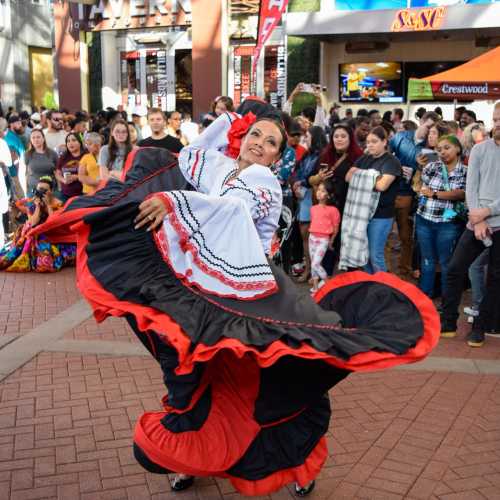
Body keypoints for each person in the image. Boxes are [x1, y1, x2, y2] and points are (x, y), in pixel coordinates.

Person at [30, 101, 440, 497]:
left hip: (248, 296)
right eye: (254, 134)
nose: (260, 143)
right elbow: (192, 154)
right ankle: (189, 454)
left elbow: (233, 209)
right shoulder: (223, 166)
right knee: (183, 366)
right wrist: (226, 120)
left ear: (279, 156)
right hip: (199, 289)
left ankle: (293, 461)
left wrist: (172, 201)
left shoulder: (264, 183)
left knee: (276, 375)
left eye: (272, 141)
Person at [440, 102, 500, 347]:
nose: (498, 124)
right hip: (476, 221)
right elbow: (471, 186)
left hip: (496, 220)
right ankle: (448, 321)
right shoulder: (479, 149)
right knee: (455, 269)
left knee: (495, 278)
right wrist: (478, 217)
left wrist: (488, 211)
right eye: (496, 119)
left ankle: (480, 326)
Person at [389, 111, 440, 278]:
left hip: (409, 194)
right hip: (389, 189)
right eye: (427, 127)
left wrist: (416, 171)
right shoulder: (401, 136)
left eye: (433, 130)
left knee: (405, 235)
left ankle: (404, 268)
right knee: (387, 233)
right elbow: (386, 155)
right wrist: (396, 166)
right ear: (421, 122)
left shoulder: (430, 149)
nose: (428, 132)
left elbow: (429, 175)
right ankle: (386, 269)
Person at [415, 135, 466, 298]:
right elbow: (419, 186)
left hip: (448, 223)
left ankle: (447, 300)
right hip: (424, 218)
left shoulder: (466, 171)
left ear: (457, 149)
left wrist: (435, 194)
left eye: (447, 148)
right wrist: (419, 167)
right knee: (427, 260)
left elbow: (461, 194)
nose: (442, 152)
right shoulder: (432, 166)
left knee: (446, 263)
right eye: (439, 149)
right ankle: (425, 296)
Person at [347, 126, 402, 273]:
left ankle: (383, 288)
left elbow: (382, 185)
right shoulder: (365, 158)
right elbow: (348, 177)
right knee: (363, 255)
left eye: (374, 141)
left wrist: (360, 174)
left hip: (381, 215)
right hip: (363, 214)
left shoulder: (392, 161)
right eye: (368, 142)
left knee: (375, 255)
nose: (369, 145)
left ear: (384, 142)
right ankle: (371, 286)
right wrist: (372, 175)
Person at [0, 176, 75, 272]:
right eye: (39, 189)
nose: (41, 192)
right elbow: (32, 223)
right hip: (35, 233)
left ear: (51, 191)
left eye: (44, 190)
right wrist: (38, 207)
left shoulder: (58, 204)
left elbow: (54, 223)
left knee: (46, 261)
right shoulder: (33, 202)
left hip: (53, 234)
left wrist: (48, 205)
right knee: (29, 236)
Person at [292, 126, 328, 283]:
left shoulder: (322, 155)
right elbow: (297, 171)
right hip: (302, 197)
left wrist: (302, 182)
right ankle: (310, 269)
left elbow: (318, 178)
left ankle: (312, 271)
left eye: (307, 136)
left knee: (311, 237)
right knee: (305, 236)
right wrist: (296, 183)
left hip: (312, 198)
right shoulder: (308, 154)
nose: (304, 139)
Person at [308, 181, 340, 293]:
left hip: (323, 240)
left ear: (329, 195)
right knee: (314, 264)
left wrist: (331, 241)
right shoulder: (313, 208)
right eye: (318, 190)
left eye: (322, 191)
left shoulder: (333, 210)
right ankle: (315, 289)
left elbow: (336, 228)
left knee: (315, 263)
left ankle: (328, 284)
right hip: (312, 238)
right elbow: (314, 223)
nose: (319, 193)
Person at [25, 129, 58, 195]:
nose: (36, 140)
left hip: (50, 190)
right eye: (33, 138)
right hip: (33, 190)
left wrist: (59, 189)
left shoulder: (52, 153)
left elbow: (57, 172)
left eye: (38, 137)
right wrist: (26, 191)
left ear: (43, 138)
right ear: (30, 140)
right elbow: (26, 174)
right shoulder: (27, 154)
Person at [54, 132, 85, 202]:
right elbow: (57, 173)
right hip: (65, 195)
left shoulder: (86, 155)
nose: (70, 143)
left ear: (80, 142)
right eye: (68, 141)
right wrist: (63, 180)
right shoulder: (63, 157)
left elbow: (91, 174)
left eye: (74, 140)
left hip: (82, 194)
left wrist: (76, 177)